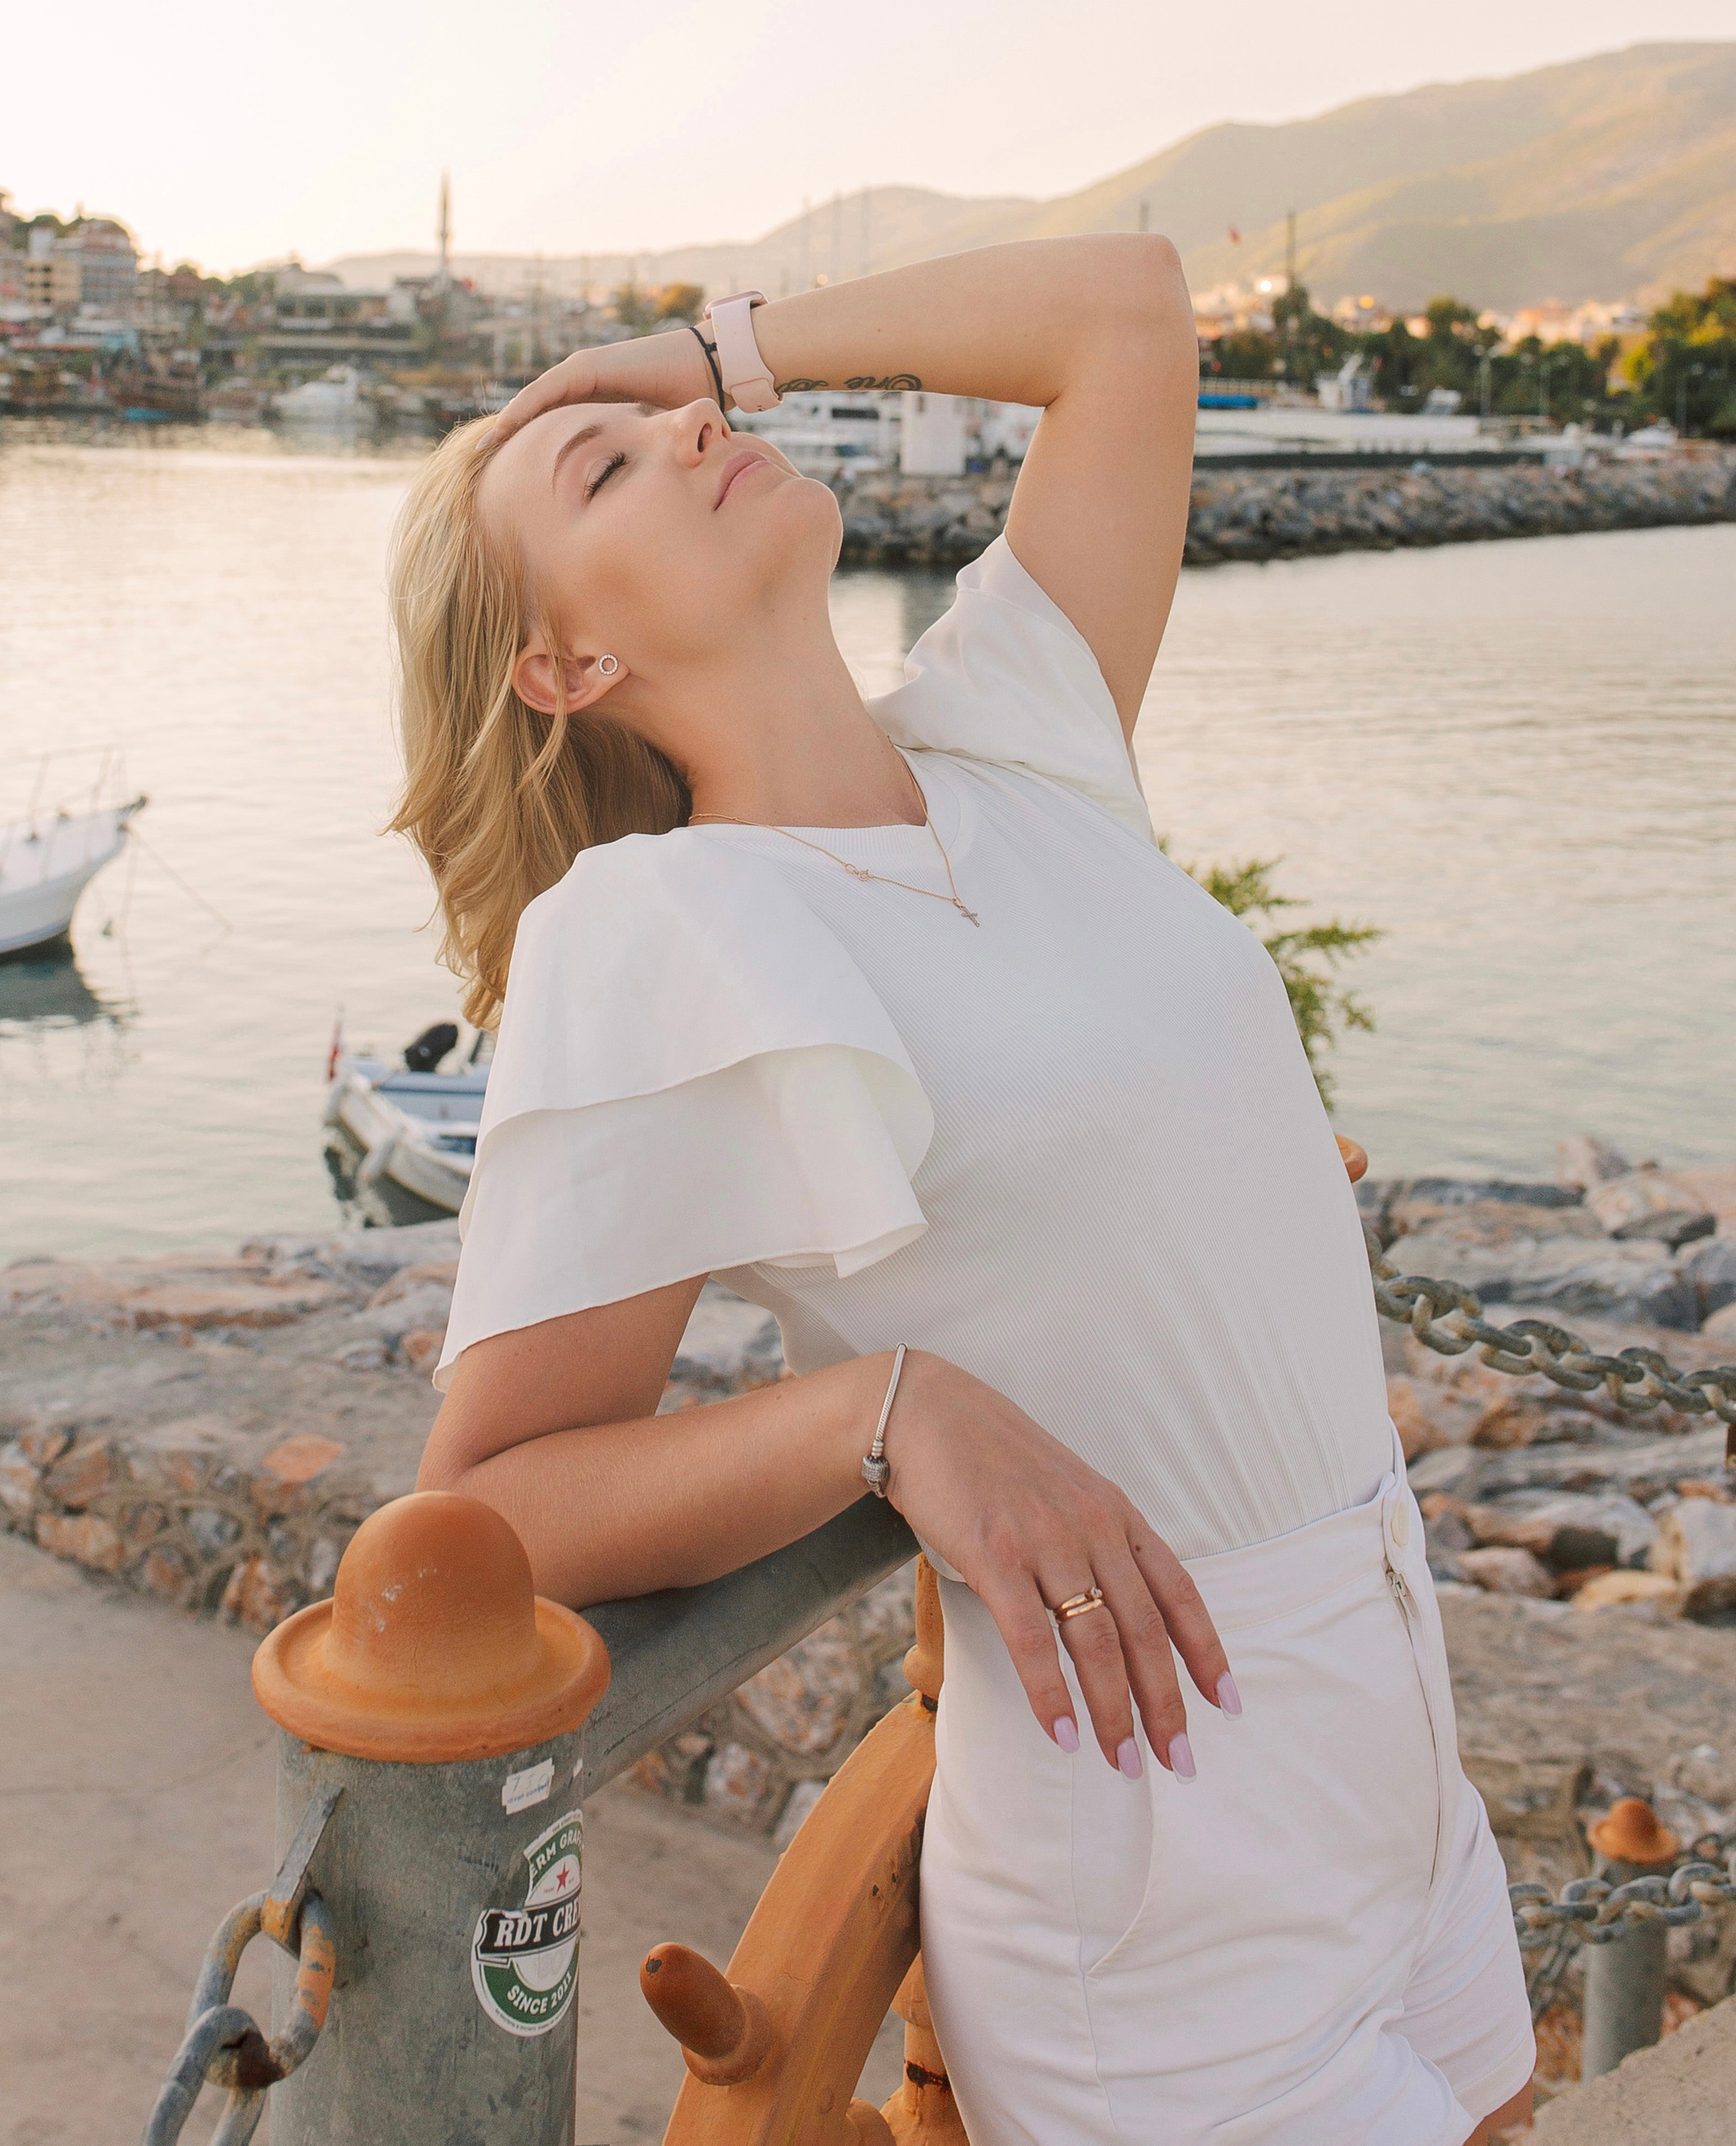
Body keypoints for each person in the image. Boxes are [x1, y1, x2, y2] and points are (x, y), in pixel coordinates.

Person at [393, 242, 1535, 2145]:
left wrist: (692, 347)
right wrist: (881, 1413)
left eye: (666, 421)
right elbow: (488, 1507)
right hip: (1149, 1827)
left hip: (1391, 1705)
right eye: (602, 474)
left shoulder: (1012, 727)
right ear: (568, 666)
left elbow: (1126, 316)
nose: (682, 435)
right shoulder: (659, 932)